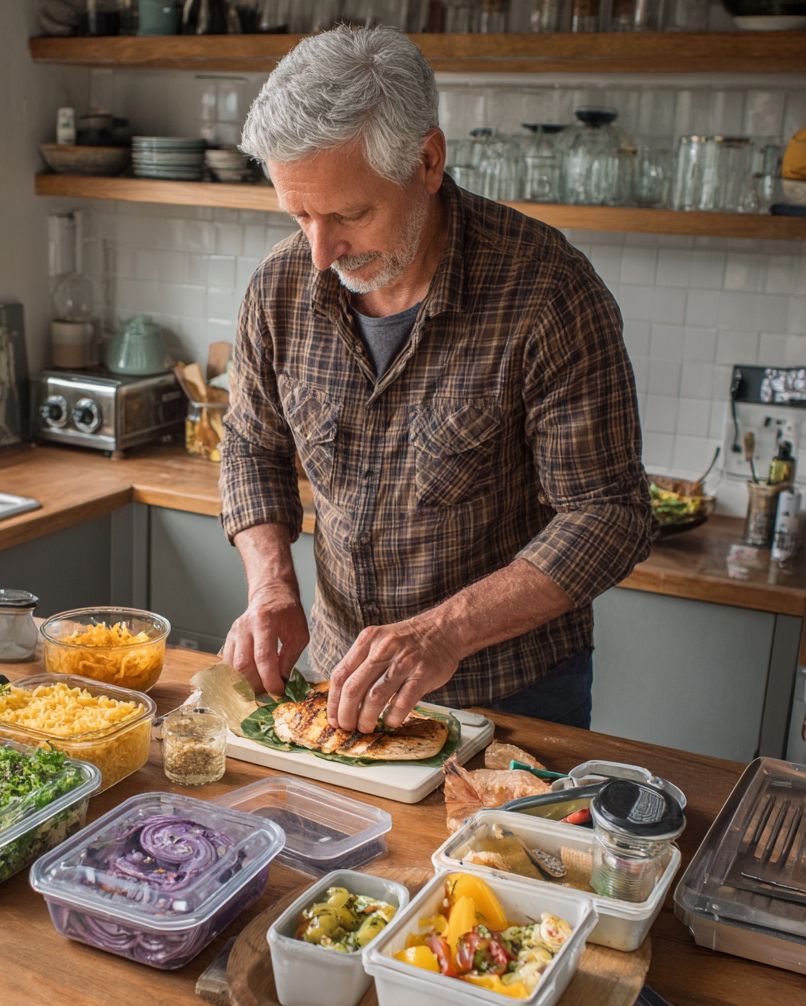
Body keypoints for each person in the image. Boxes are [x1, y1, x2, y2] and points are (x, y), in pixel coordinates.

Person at [219, 26, 653, 735]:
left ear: (427, 159)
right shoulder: (280, 284)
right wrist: (270, 585)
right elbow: (250, 445)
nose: (321, 253)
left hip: (511, 697)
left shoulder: (547, 292)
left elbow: (609, 515)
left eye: (349, 215)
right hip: (336, 679)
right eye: (299, 215)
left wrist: (443, 632)